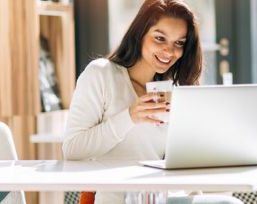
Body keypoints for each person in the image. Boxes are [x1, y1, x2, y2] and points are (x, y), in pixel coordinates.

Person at [63, 0, 203, 203]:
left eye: (179, 43)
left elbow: (179, 161)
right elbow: (72, 150)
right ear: (140, 34)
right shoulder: (101, 74)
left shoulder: (171, 89)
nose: (169, 51)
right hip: (118, 198)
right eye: (159, 38)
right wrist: (130, 116)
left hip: (165, 197)